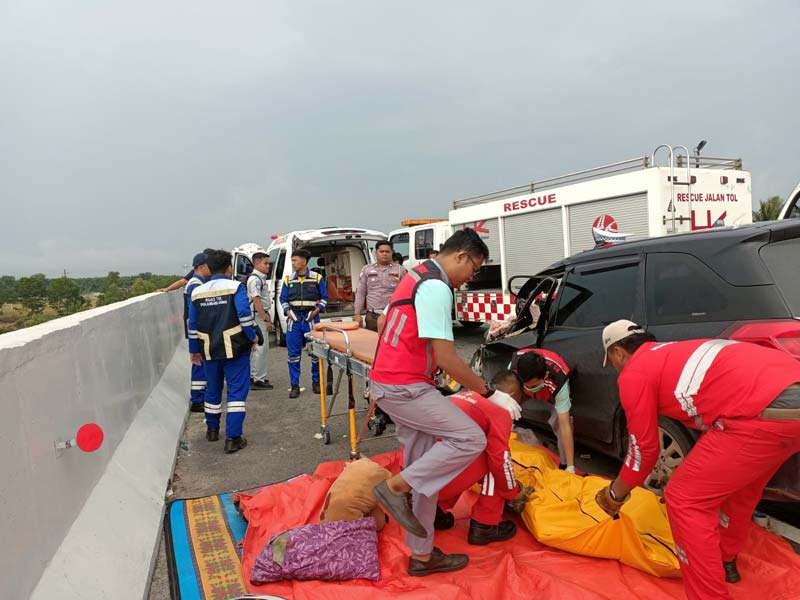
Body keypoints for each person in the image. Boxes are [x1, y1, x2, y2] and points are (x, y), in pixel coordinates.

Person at [595, 320, 800, 600]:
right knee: (741, 487)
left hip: (759, 412)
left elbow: (644, 450)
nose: (616, 368)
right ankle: (725, 561)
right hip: (789, 402)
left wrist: (614, 494)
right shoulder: (672, 352)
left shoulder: (635, 372)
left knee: (684, 498)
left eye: (613, 361)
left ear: (618, 352)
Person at [369, 228, 522, 577]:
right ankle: (394, 488)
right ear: (462, 256)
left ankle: (421, 556)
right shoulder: (436, 287)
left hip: (394, 383)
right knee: (470, 439)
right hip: (405, 387)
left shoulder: (413, 276)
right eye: (473, 269)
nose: (470, 279)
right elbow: (447, 359)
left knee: (424, 472)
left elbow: (385, 325)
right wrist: (490, 392)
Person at [435, 370, 531, 545]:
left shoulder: (463, 395)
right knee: (496, 467)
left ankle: (436, 512)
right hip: (440, 479)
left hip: (415, 479)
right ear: (511, 396)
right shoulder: (499, 411)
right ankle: (484, 526)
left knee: (469, 456)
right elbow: (500, 460)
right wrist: (513, 491)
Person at [188, 249, 260, 454]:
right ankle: (233, 437)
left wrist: (194, 350)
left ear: (209, 268)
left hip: (209, 349)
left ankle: (212, 430)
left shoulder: (197, 292)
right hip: (235, 348)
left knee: (213, 388)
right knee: (236, 392)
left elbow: (192, 324)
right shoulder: (235, 286)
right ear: (229, 268)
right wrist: (252, 336)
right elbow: (244, 314)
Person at [509, 348, 576, 472]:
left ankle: (564, 464)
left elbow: (565, 425)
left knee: (560, 422)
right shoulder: (515, 368)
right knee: (506, 405)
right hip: (522, 388)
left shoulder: (559, 381)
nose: (529, 388)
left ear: (545, 376)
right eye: (526, 385)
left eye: (533, 386)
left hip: (550, 392)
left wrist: (570, 466)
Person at [279, 249, 328, 399]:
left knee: (316, 353)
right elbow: (283, 299)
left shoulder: (317, 278)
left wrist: (316, 311)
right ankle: (294, 385)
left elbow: (325, 298)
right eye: (292, 261)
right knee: (293, 355)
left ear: (304, 261)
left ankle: (316, 382)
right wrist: (288, 313)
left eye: (295, 260)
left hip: (311, 320)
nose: (293, 263)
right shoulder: (288, 279)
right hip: (294, 322)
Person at [354, 241, 407, 332]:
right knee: (373, 343)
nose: (384, 254)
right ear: (376, 253)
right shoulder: (367, 269)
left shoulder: (400, 270)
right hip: (372, 316)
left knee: (392, 343)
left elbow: (407, 292)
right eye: (381, 251)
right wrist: (357, 314)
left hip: (393, 314)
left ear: (392, 253)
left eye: (387, 252)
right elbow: (361, 292)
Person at [185, 253, 211, 413]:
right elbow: (195, 313)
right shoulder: (196, 285)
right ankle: (197, 399)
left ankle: (199, 397)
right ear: (201, 266)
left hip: (199, 331)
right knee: (198, 365)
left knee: (200, 365)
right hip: (198, 331)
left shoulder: (197, 283)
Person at [247, 250, 274, 390]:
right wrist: (266, 319)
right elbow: (256, 301)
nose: (268, 266)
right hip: (258, 315)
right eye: (266, 263)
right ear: (256, 263)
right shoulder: (255, 280)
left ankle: (255, 376)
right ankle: (258, 379)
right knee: (261, 347)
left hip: (258, 315)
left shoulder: (259, 278)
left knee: (258, 348)